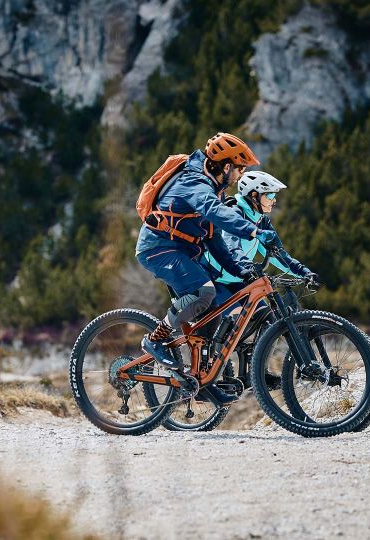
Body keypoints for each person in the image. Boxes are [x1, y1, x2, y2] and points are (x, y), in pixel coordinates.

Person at [136, 133, 276, 404]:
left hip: (186, 251)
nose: (240, 175)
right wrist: (253, 231)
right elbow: (214, 212)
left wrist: (240, 271)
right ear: (226, 166)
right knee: (204, 292)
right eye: (240, 168)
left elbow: (214, 240)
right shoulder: (195, 182)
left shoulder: (213, 188)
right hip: (158, 248)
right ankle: (155, 339)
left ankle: (201, 381)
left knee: (216, 310)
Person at [201, 170, 318, 390]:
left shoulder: (261, 220)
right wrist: (247, 268)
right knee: (239, 320)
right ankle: (211, 365)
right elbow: (230, 248)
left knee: (268, 318)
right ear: (254, 195)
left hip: (237, 278)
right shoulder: (232, 212)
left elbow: (279, 254)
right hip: (216, 279)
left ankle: (257, 372)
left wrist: (303, 272)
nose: (274, 201)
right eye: (270, 196)